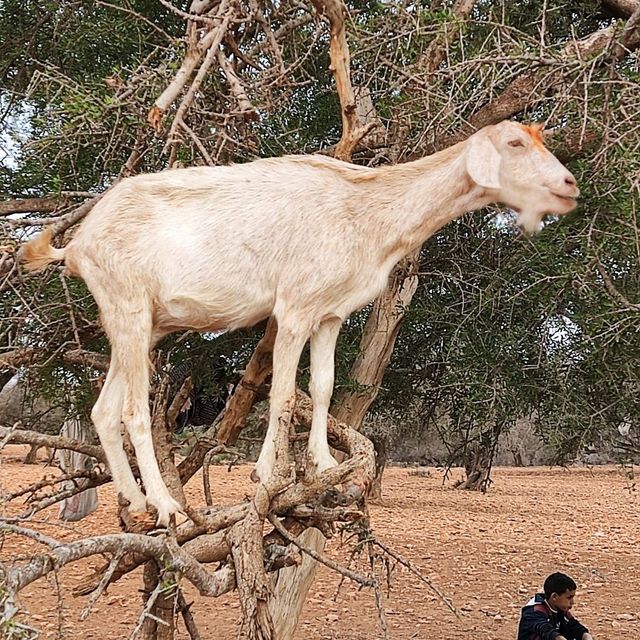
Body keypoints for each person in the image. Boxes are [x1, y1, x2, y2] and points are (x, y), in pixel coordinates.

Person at [517, 572, 594, 640]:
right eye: (569, 598)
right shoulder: (533, 612)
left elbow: (575, 627)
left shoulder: (560, 609)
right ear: (554, 596)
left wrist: (586, 636)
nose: (572, 602)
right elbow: (547, 631)